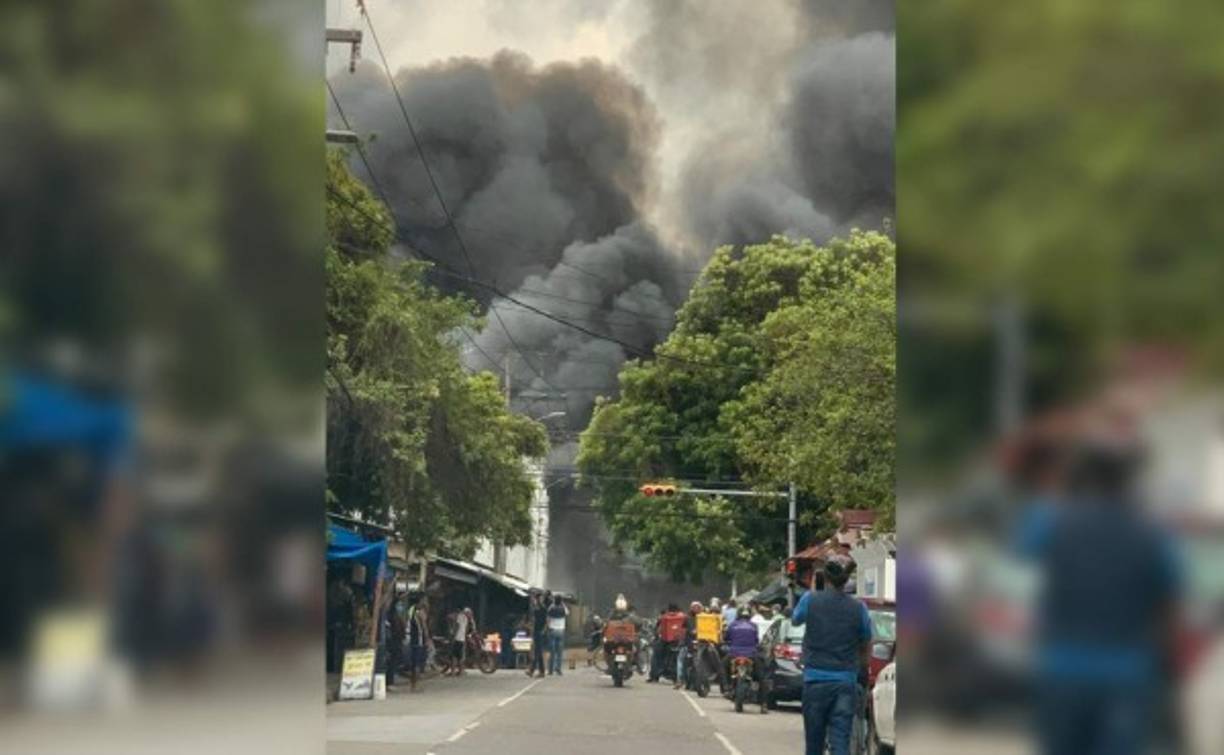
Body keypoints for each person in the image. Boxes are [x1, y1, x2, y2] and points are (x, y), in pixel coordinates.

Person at [1014, 434, 1181, 755]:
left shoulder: (1051, 522)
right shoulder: (1151, 534)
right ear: (1129, 482)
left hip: (1061, 668)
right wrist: (1169, 665)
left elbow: (1019, 567)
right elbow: (1170, 603)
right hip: (1126, 674)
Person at [793, 556, 873, 755]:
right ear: (847, 581)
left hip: (815, 681)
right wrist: (862, 670)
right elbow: (866, 642)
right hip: (845, 682)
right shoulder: (859, 608)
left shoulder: (810, 600)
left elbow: (795, 620)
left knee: (814, 743)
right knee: (840, 741)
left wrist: (813, 588)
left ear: (824, 577)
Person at [723, 605, 768, 710]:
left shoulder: (733, 625)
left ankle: (726, 687)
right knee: (762, 677)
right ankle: (764, 704)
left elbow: (726, 638)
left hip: (734, 653)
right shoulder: (753, 626)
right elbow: (757, 641)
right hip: (751, 654)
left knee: (722, 666)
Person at [676, 601, 703, 689]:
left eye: (697, 607)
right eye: (694, 607)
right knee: (681, 660)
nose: (696, 609)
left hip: (701, 643)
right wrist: (681, 640)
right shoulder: (686, 618)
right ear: (691, 608)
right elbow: (683, 630)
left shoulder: (704, 618)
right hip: (688, 643)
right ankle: (680, 680)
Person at [384, 593, 406, 687]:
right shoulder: (392, 616)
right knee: (392, 660)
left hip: (397, 639)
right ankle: (389, 681)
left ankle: (391, 680)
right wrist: (396, 599)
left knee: (395, 659)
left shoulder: (397, 617)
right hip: (393, 640)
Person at [546, 593, 568, 676]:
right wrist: (562, 603)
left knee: (552, 652)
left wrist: (548, 628)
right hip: (561, 631)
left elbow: (548, 619)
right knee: (559, 652)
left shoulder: (551, 608)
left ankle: (550, 670)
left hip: (552, 630)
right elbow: (567, 612)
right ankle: (558, 669)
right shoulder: (563, 608)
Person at [527, 592, 548, 678]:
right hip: (536, 631)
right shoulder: (536, 608)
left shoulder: (543, 608)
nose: (538, 600)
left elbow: (546, 621)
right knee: (537, 652)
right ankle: (539, 671)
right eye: (537, 598)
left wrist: (543, 630)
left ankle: (533, 670)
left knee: (538, 652)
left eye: (538, 598)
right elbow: (534, 620)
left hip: (540, 632)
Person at [449, 606, 471, 676]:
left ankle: (453, 672)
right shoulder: (466, 618)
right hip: (462, 639)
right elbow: (466, 629)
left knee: (454, 656)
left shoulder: (459, 616)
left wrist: (453, 637)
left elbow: (457, 627)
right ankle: (461, 672)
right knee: (460, 657)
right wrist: (464, 638)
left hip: (457, 638)